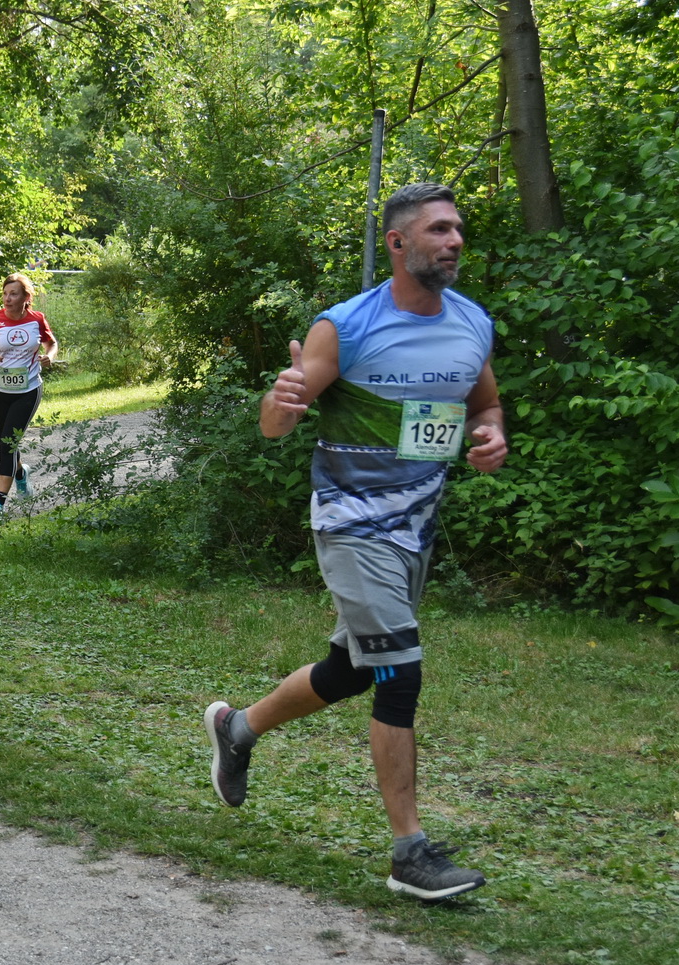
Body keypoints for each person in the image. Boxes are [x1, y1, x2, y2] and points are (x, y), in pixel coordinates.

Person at [203, 183, 509, 901]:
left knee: (352, 667)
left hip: (416, 531)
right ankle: (410, 853)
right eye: (438, 229)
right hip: (352, 523)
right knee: (399, 672)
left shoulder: (472, 324)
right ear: (398, 244)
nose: (455, 240)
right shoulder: (345, 327)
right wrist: (276, 406)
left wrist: (491, 431)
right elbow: (278, 422)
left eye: (458, 229)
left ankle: (238, 729)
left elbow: (484, 400)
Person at [0, 272, 56, 519]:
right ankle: (21, 474)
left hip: (28, 389)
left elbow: (50, 343)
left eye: (13, 294)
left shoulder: (36, 319)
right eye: (5, 294)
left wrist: (49, 356)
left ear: (26, 297)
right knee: (5, 443)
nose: (7, 299)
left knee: (8, 445)